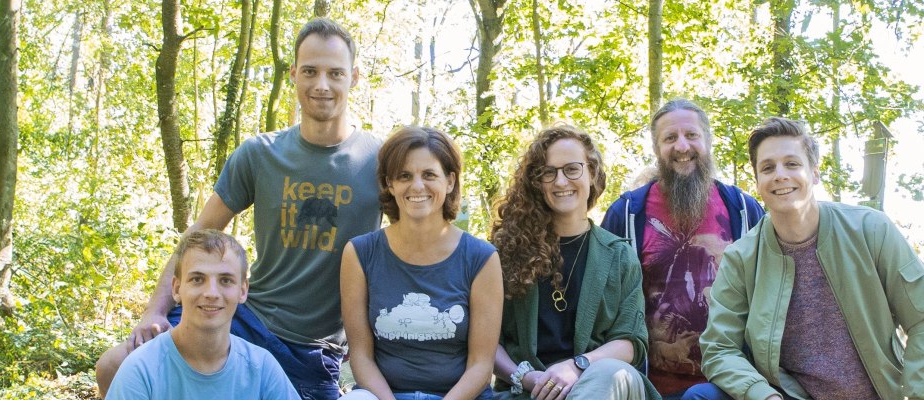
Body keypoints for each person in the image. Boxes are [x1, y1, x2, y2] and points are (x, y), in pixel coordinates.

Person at [96, 18, 379, 400]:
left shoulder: (380, 162)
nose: (322, 84)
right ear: (293, 72)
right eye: (310, 71)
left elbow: (411, 249)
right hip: (244, 318)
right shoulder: (260, 154)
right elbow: (197, 236)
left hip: (313, 348)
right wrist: (155, 311)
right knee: (114, 366)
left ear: (355, 77)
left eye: (335, 73)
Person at [695, 118, 924, 399]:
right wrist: (762, 394)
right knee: (702, 396)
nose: (780, 175)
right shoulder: (742, 259)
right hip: (791, 395)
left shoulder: (871, 229)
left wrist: (919, 395)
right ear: (757, 181)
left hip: (878, 393)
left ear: (814, 173)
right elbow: (719, 348)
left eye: (792, 164)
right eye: (768, 168)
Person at [599, 99, 764, 399]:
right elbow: (604, 302)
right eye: (670, 138)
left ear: (707, 141)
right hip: (648, 385)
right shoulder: (626, 214)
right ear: (656, 148)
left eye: (691, 135)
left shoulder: (743, 210)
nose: (682, 146)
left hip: (728, 386)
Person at [489, 125, 658, 400]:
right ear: (536, 181)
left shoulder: (618, 255)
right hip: (527, 391)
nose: (560, 181)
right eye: (549, 172)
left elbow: (630, 342)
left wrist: (577, 366)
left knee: (610, 373)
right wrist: (527, 378)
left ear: (592, 173)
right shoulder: (506, 252)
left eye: (572, 169)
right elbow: (485, 340)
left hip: (601, 384)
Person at [339, 126, 503, 400]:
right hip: (383, 395)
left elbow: (481, 365)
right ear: (390, 184)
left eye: (429, 175)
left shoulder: (481, 258)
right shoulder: (359, 253)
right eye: (404, 176)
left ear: (449, 182)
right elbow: (361, 356)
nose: (417, 186)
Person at [106, 229, 300, 399]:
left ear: (242, 290)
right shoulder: (142, 370)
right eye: (198, 279)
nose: (211, 293)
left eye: (225, 280)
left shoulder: (261, 368)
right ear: (176, 288)